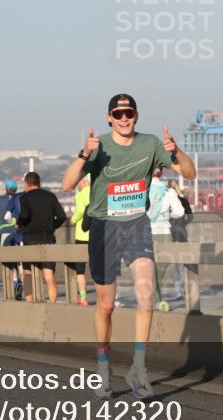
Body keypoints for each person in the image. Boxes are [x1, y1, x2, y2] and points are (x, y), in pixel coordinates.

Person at [61, 93, 197, 399]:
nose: (124, 119)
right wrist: (84, 154)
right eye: (118, 114)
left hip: (136, 225)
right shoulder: (100, 147)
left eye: (129, 113)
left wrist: (176, 152)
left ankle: (138, 367)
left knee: (146, 296)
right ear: (109, 117)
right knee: (106, 306)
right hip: (103, 228)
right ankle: (103, 366)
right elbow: (67, 184)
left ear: (137, 115)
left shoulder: (150, 145)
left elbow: (189, 173)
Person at [17, 172, 67, 303]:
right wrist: (52, 227)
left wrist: (19, 223)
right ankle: (53, 304)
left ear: (26, 184)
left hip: (30, 239)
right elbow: (61, 216)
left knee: (27, 273)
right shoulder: (50, 196)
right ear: (39, 183)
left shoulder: (24, 198)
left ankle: (30, 303)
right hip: (47, 238)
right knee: (49, 274)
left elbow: (24, 216)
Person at [146, 166, 185, 310]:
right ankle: (156, 300)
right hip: (164, 233)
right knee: (159, 270)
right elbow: (179, 212)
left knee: (147, 270)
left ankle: (154, 300)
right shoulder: (169, 191)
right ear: (161, 172)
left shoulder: (141, 190)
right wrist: (167, 214)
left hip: (145, 232)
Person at [0, 179, 23, 298]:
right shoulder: (20, 199)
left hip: (5, 232)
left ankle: (13, 284)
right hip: (19, 232)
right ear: (16, 189)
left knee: (8, 260)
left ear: (5, 188)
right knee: (21, 260)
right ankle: (22, 282)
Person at [167, 179, 192, 301]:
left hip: (176, 236)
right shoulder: (170, 201)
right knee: (176, 265)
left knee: (179, 264)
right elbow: (190, 218)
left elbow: (190, 216)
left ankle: (181, 290)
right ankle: (180, 290)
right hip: (175, 235)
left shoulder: (181, 200)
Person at [70, 175, 92, 306]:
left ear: (84, 182)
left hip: (82, 235)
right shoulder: (97, 194)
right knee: (98, 268)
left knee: (80, 269)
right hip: (96, 235)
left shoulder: (80, 195)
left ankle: (83, 297)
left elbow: (80, 211)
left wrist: (73, 220)